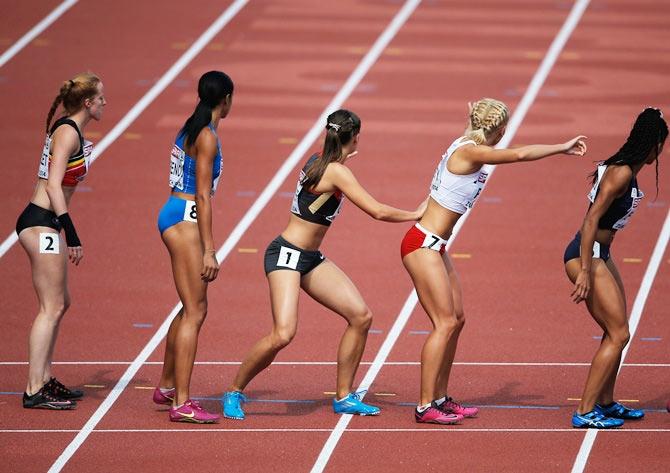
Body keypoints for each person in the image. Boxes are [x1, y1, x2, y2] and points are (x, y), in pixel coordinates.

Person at [222, 109, 426, 419]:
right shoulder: (337, 172)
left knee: (360, 316)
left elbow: (326, 172)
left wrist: (342, 158)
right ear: (355, 137)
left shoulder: (318, 160)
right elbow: (378, 211)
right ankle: (234, 391)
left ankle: (344, 396)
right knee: (283, 333)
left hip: (310, 258)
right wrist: (415, 213)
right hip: (286, 254)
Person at [401, 98, 587, 424]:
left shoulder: (467, 141)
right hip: (421, 245)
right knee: (444, 323)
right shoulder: (471, 151)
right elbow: (516, 154)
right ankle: (424, 405)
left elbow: (480, 131)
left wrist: (474, 113)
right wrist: (561, 147)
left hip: (436, 245)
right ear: (499, 130)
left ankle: (441, 398)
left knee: (456, 320)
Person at [565, 107, 667, 429]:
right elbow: (591, 219)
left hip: (601, 253)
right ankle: (584, 410)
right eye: (662, 145)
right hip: (588, 253)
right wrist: (583, 270)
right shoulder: (621, 173)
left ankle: (605, 402)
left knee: (617, 331)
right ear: (653, 144)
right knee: (619, 332)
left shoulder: (627, 168)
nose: (662, 152)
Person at [17, 73, 105, 409]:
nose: (105, 104)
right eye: (101, 99)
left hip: (47, 223)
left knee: (59, 302)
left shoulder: (72, 130)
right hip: (41, 223)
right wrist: (72, 233)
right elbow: (54, 186)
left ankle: (44, 377)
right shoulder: (67, 132)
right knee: (50, 306)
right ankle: (33, 388)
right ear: (87, 102)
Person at [153, 71, 233, 423]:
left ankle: (168, 385)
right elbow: (203, 194)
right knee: (197, 312)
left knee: (188, 307)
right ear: (226, 99)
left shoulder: (190, 125)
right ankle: (181, 403)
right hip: (186, 217)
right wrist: (209, 249)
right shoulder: (207, 135)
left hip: (174, 211)